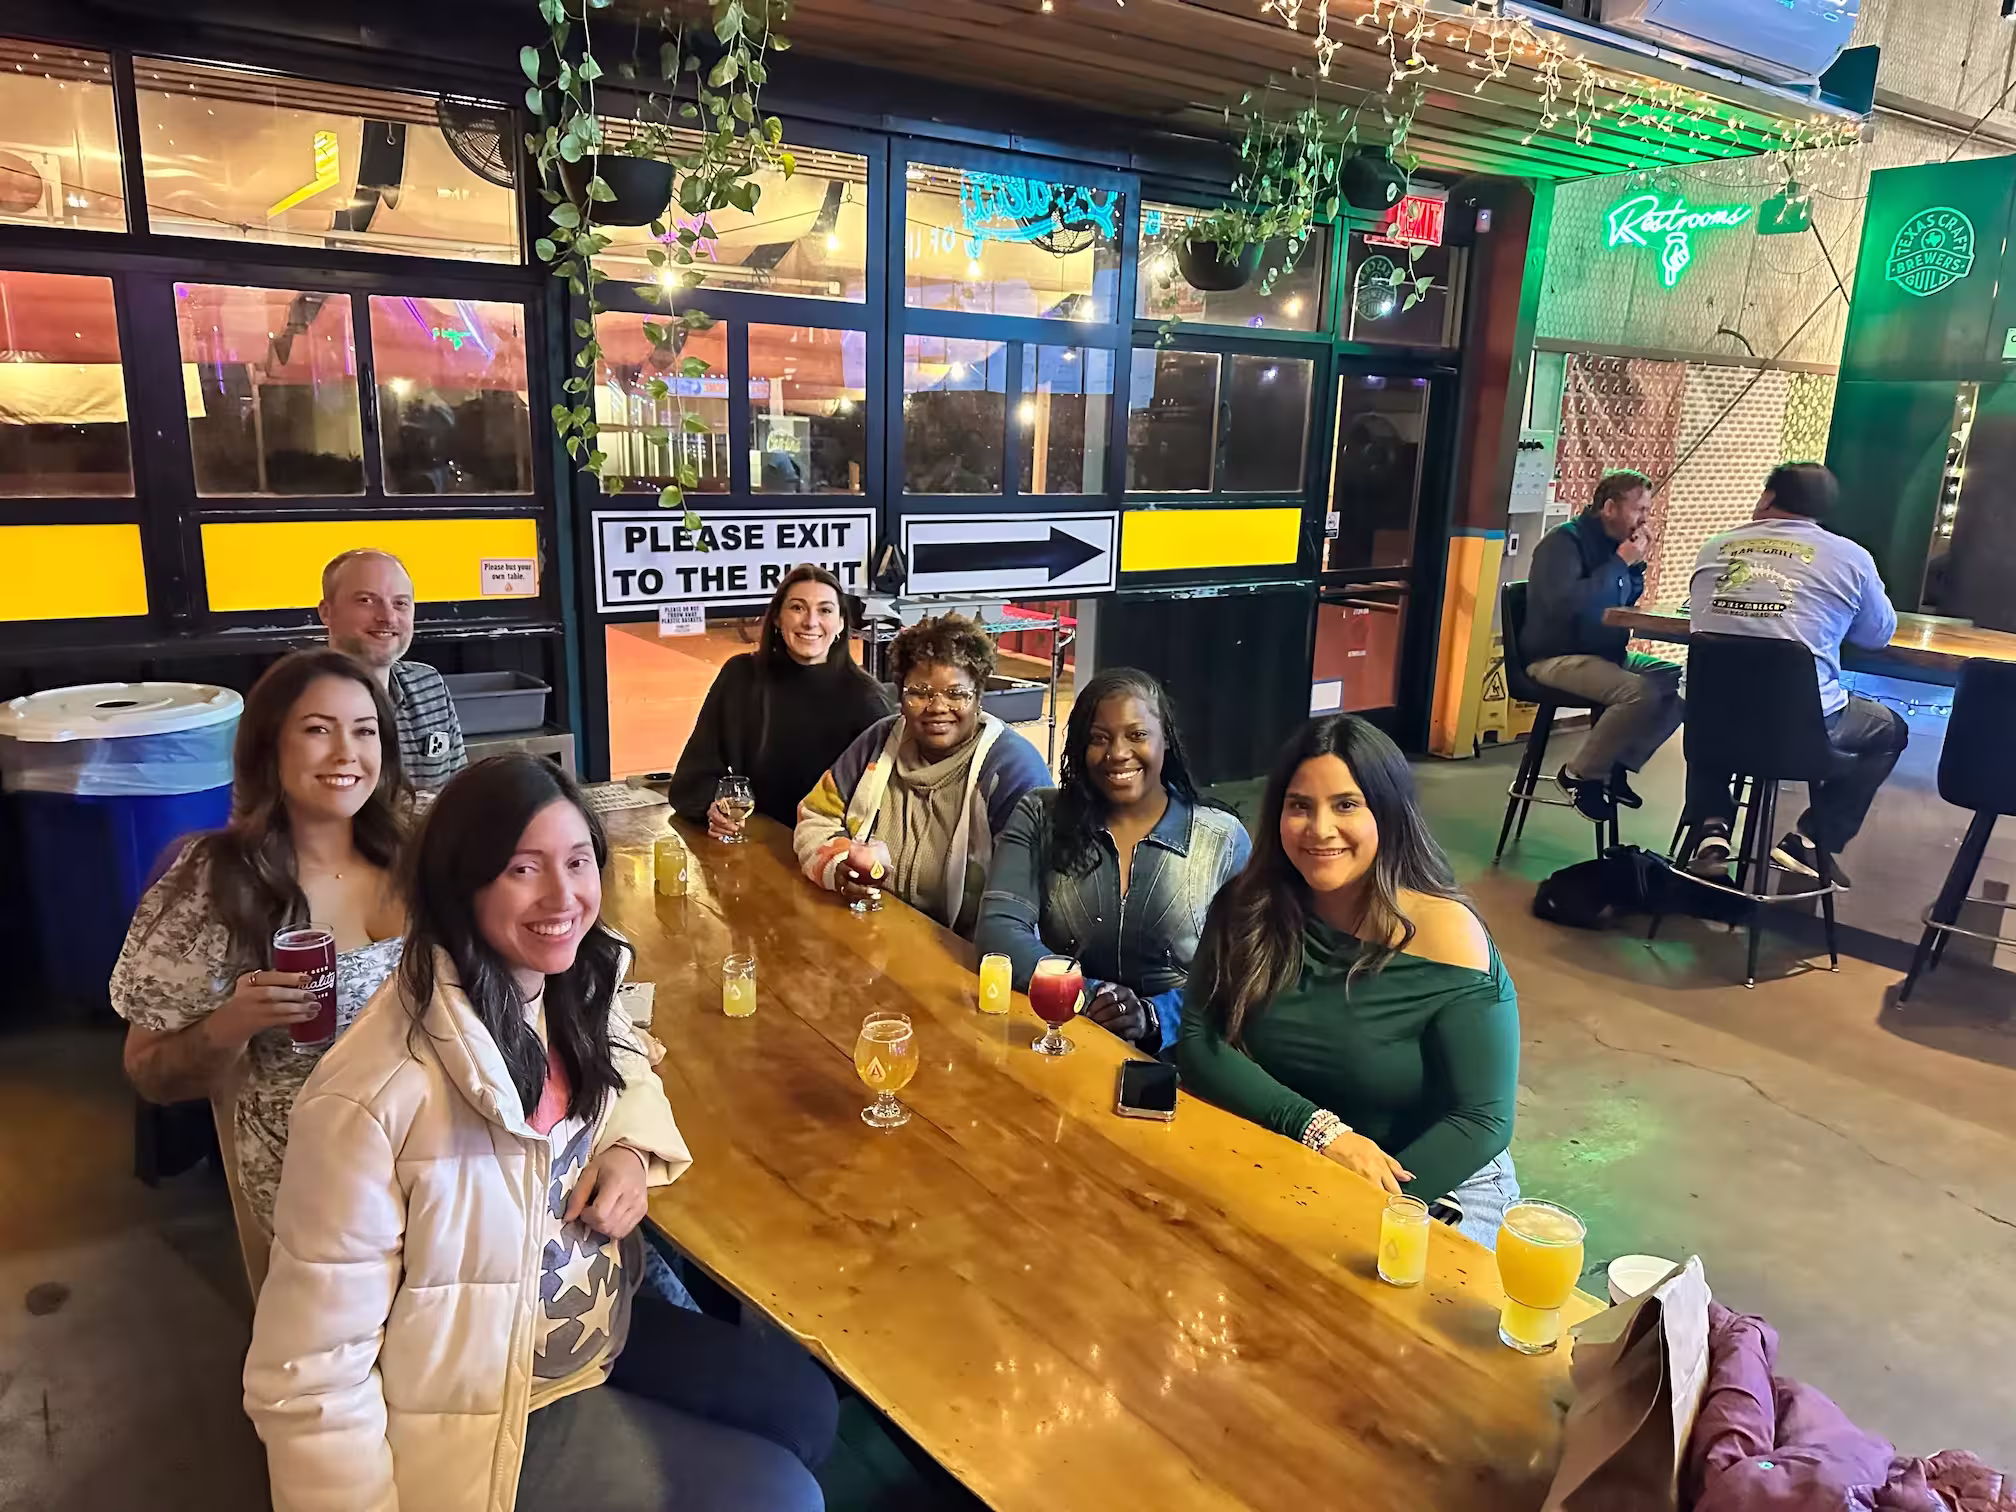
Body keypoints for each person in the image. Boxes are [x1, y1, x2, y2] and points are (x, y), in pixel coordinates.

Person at [243, 755, 836, 1511]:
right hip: (487, 1405)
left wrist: (626, 1148)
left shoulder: (566, 986)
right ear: (462, 884)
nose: (563, 896)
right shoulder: (370, 1095)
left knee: (806, 1409)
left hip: (593, 1334)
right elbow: (310, 1373)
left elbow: (628, 1065)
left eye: (578, 861)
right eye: (524, 869)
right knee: (780, 1496)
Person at [1177, 716, 1520, 1249]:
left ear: (1388, 811)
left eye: (1346, 804)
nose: (1319, 829)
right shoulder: (1247, 906)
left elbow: (1482, 1118)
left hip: (1433, 1178)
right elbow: (1200, 1040)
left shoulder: (1448, 934)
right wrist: (1323, 1134)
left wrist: (1358, 1206)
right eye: (1299, 805)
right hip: (1303, 1154)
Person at [111, 649, 408, 1231]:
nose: (347, 752)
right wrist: (233, 1023)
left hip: (437, 1158)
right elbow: (149, 1072)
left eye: (365, 731)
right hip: (323, 1190)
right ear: (269, 749)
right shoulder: (216, 878)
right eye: (318, 731)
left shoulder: (418, 853)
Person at [977, 668, 1249, 1053]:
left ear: (1166, 739)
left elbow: (1240, 974)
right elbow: (999, 933)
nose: (1118, 753)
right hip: (1065, 1036)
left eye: (1137, 735)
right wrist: (1088, 997)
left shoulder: (1222, 839)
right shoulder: (1040, 814)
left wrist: (1152, 1016)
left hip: (1180, 1057)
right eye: (1099, 738)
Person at [1682, 463, 1905, 888]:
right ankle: (1810, 839)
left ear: (1767, 498)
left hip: (1711, 723)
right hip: (1799, 727)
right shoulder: (1851, 558)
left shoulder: (1715, 547)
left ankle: (1711, 827)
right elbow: (1878, 635)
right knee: (1891, 731)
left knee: (1714, 704)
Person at [795, 613, 1050, 936]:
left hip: (965, 954)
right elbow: (815, 814)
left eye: (957, 693)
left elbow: (1030, 893)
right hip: (868, 933)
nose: (937, 707)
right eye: (920, 692)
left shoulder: (1011, 768)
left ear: (979, 697)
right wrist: (839, 867)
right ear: (900, 696)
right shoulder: (877, 742)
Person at [669, 565, 893, 836]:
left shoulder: (867, 699)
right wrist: (714, 808)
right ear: (777, 618)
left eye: (825, 610)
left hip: (831, 850)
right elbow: (693, 779)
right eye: (798, 608)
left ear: (841, 622)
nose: (810, 622)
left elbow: (883, 804)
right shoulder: (741, 678)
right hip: (754, 843)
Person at [1523, 469, 1684, 821]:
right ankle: (1580, 774)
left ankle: (1616, 766)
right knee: (1638, 692)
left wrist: (1634, 568)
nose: (1645, 518)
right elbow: (1567, 605)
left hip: (1607, 654)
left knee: (1684, 681)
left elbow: (1623, 599)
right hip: (1556, 656)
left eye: (1647, 510)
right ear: (1610, 507)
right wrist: (1621, 563)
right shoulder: (1563, 543)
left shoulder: (1616, 550)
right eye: (1639, 509)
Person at [318, 547, 467, 792]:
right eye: (366, 600)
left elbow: (461, 793)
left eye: (400, 603)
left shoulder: (429, 685)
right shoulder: (299, 700)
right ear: (327, 612)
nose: (387, 617)